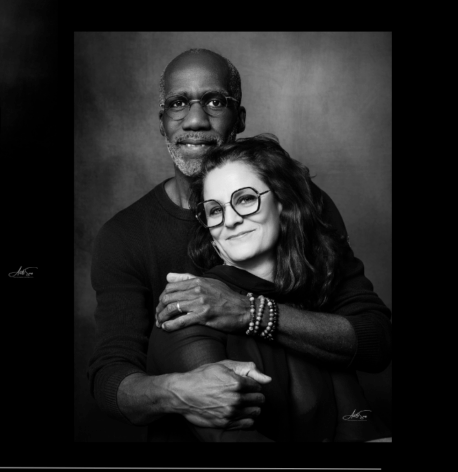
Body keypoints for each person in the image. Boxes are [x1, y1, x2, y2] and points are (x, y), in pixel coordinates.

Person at [88, 47, 391, 440]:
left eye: (216, 101)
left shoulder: (302, 203)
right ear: (162, 122)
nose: (195, 119)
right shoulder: (125, 236)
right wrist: (175, 392)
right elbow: (110, 375)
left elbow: (374, 341)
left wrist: (251, 313)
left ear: (239, 118)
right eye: (178, 104)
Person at [147, 135, 391, 441]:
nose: (231, 220)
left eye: (246, 199)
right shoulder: (189, 308)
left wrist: (256, 313)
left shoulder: (314, 306)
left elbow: (357, 423)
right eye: (214, 210)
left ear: (283, 202)